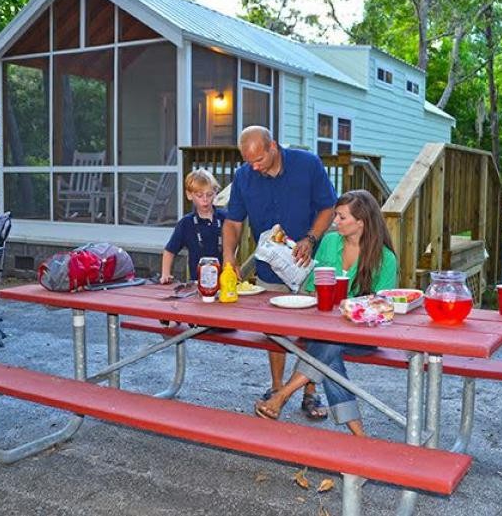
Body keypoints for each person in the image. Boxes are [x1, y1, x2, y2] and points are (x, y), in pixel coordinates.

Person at [254, 190, 398, 436]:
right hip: (324, 331)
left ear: (361, 221)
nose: (335, 222)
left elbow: (382, 308)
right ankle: (359, 436)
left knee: (330, 344)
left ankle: (283, 394)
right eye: (336, 216)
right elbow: (311, 287)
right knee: (330, 358)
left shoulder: (385, 259)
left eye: (342, 218)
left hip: (363, 337)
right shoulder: (330, 242)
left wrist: (348, 309)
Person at [223, 125, 337, 420]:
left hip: (308, 263)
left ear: (273, 146)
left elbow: (328, 207)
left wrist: (311, 238)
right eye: (249, 162)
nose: (255, 167)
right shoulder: (243, 176)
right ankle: (277, 387)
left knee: (313, 330)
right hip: (270, 266)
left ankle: (310, 392)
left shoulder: (307, 164)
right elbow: (234, 222)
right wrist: (228, 257)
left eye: (259, 160)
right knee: (275, 330)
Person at [160, 168, 226, 283]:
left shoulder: (225, 218)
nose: (205, 200)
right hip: (197, 283)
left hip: (225, 282)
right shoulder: (186, 223)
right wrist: (165, 274)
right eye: (199, 195)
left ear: (216, 193)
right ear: (189, 195)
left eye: (209, 194)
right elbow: (169, 251)